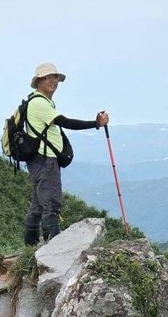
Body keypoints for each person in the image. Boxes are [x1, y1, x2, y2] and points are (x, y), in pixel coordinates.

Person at [23, 62, 109, 245]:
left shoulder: (42, 101)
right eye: (48, 77)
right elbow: (66, 122)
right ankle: (54, 248)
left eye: (55, 77)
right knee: (51, 203)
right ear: (38, 81)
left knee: (38, 205)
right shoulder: (39, 102)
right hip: (45, 160)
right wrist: (95, 124)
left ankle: (30, 245)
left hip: (40, 160)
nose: (53, 81)